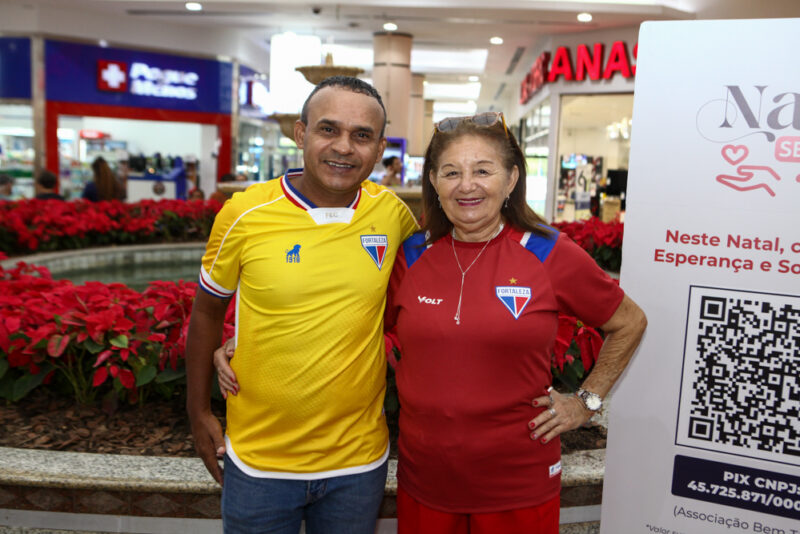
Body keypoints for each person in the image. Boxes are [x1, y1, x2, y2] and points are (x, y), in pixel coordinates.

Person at [216, 111, 646, 534]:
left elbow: (628, 322)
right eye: (451, 172)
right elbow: (352, 321)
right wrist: (248, 343)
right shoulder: (411, 254)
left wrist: (586, 403)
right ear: (434, 184)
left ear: (511, 179)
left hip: (518, 482)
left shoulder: (550, 253)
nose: (467, 185)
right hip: (425, 483)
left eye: (483, 170)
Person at [185, 75, 418, 534]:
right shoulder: (244, 214)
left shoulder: (393, 215)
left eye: (362, 135)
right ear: (301, 133)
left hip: (357, 464)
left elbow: (436, 288)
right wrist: (198, 413)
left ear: (379, 147)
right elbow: (207, 312)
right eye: (328, 129)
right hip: (258, 464)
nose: (344, 147)